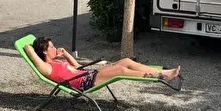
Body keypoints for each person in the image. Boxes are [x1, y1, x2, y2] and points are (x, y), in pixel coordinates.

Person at [25, 36, 181, 92]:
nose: (55, 48)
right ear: (44, 51)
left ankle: (163, 73)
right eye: (51, 47)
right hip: (84, 83)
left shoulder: (56, 61)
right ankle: (160, 77)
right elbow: (28, 48)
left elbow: (77, 67)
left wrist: (65, 54)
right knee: (121, 70)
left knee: (126, 61)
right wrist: (30, 46)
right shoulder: (47, 67)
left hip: (87, 75)